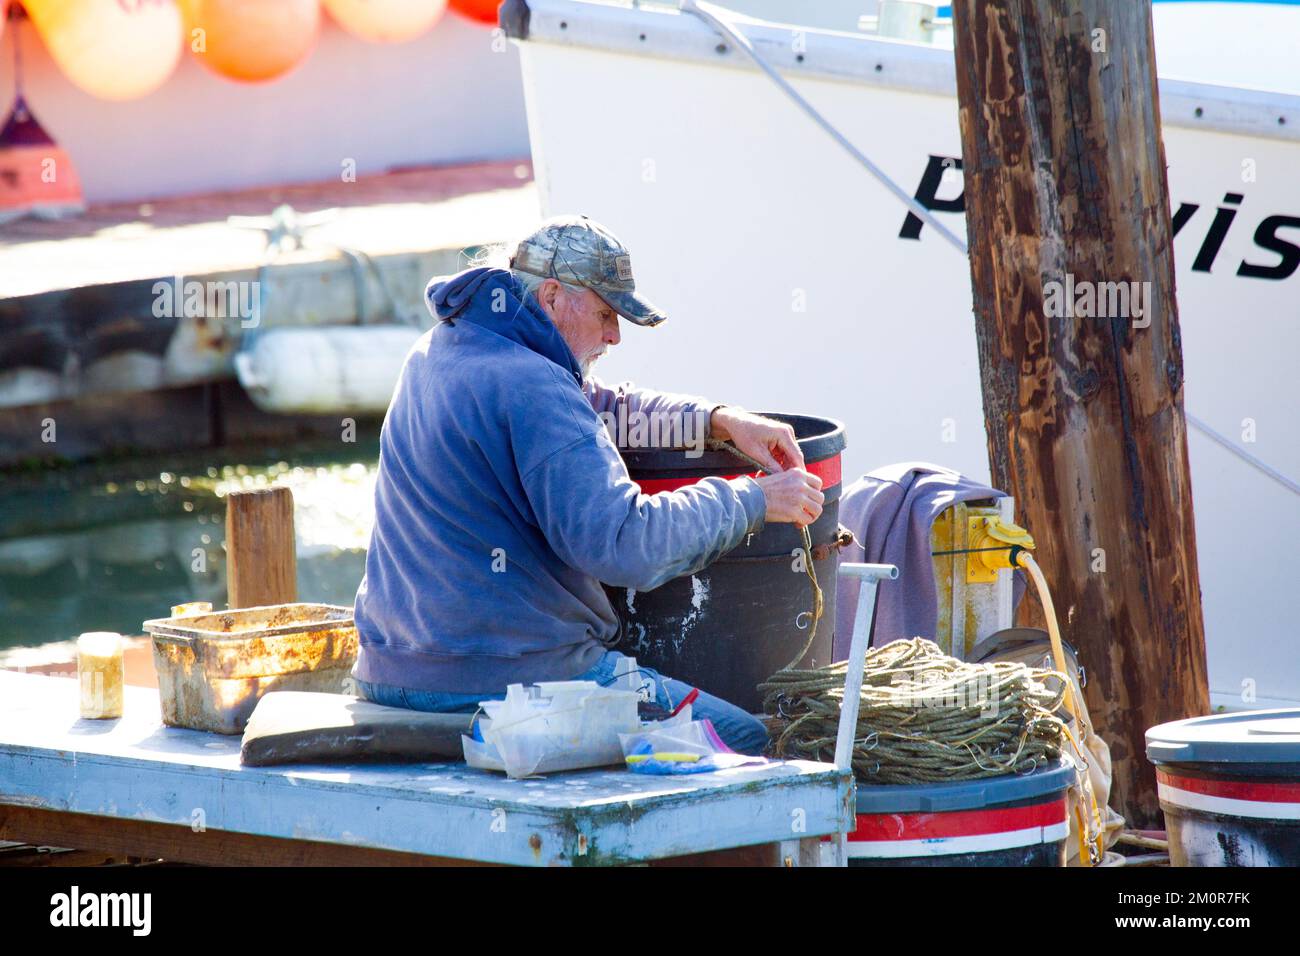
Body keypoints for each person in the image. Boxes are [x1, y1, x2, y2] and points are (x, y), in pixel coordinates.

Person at [350, 215, 824, 754]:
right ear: (552, 297)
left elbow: (602, 405)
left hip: (389, 666)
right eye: (605, 314)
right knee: (747, 738)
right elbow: (625, 543)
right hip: (509, 680)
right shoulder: (533, 383)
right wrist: (756, 499)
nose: (614, 335)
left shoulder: (448, 346)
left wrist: (719, 419)